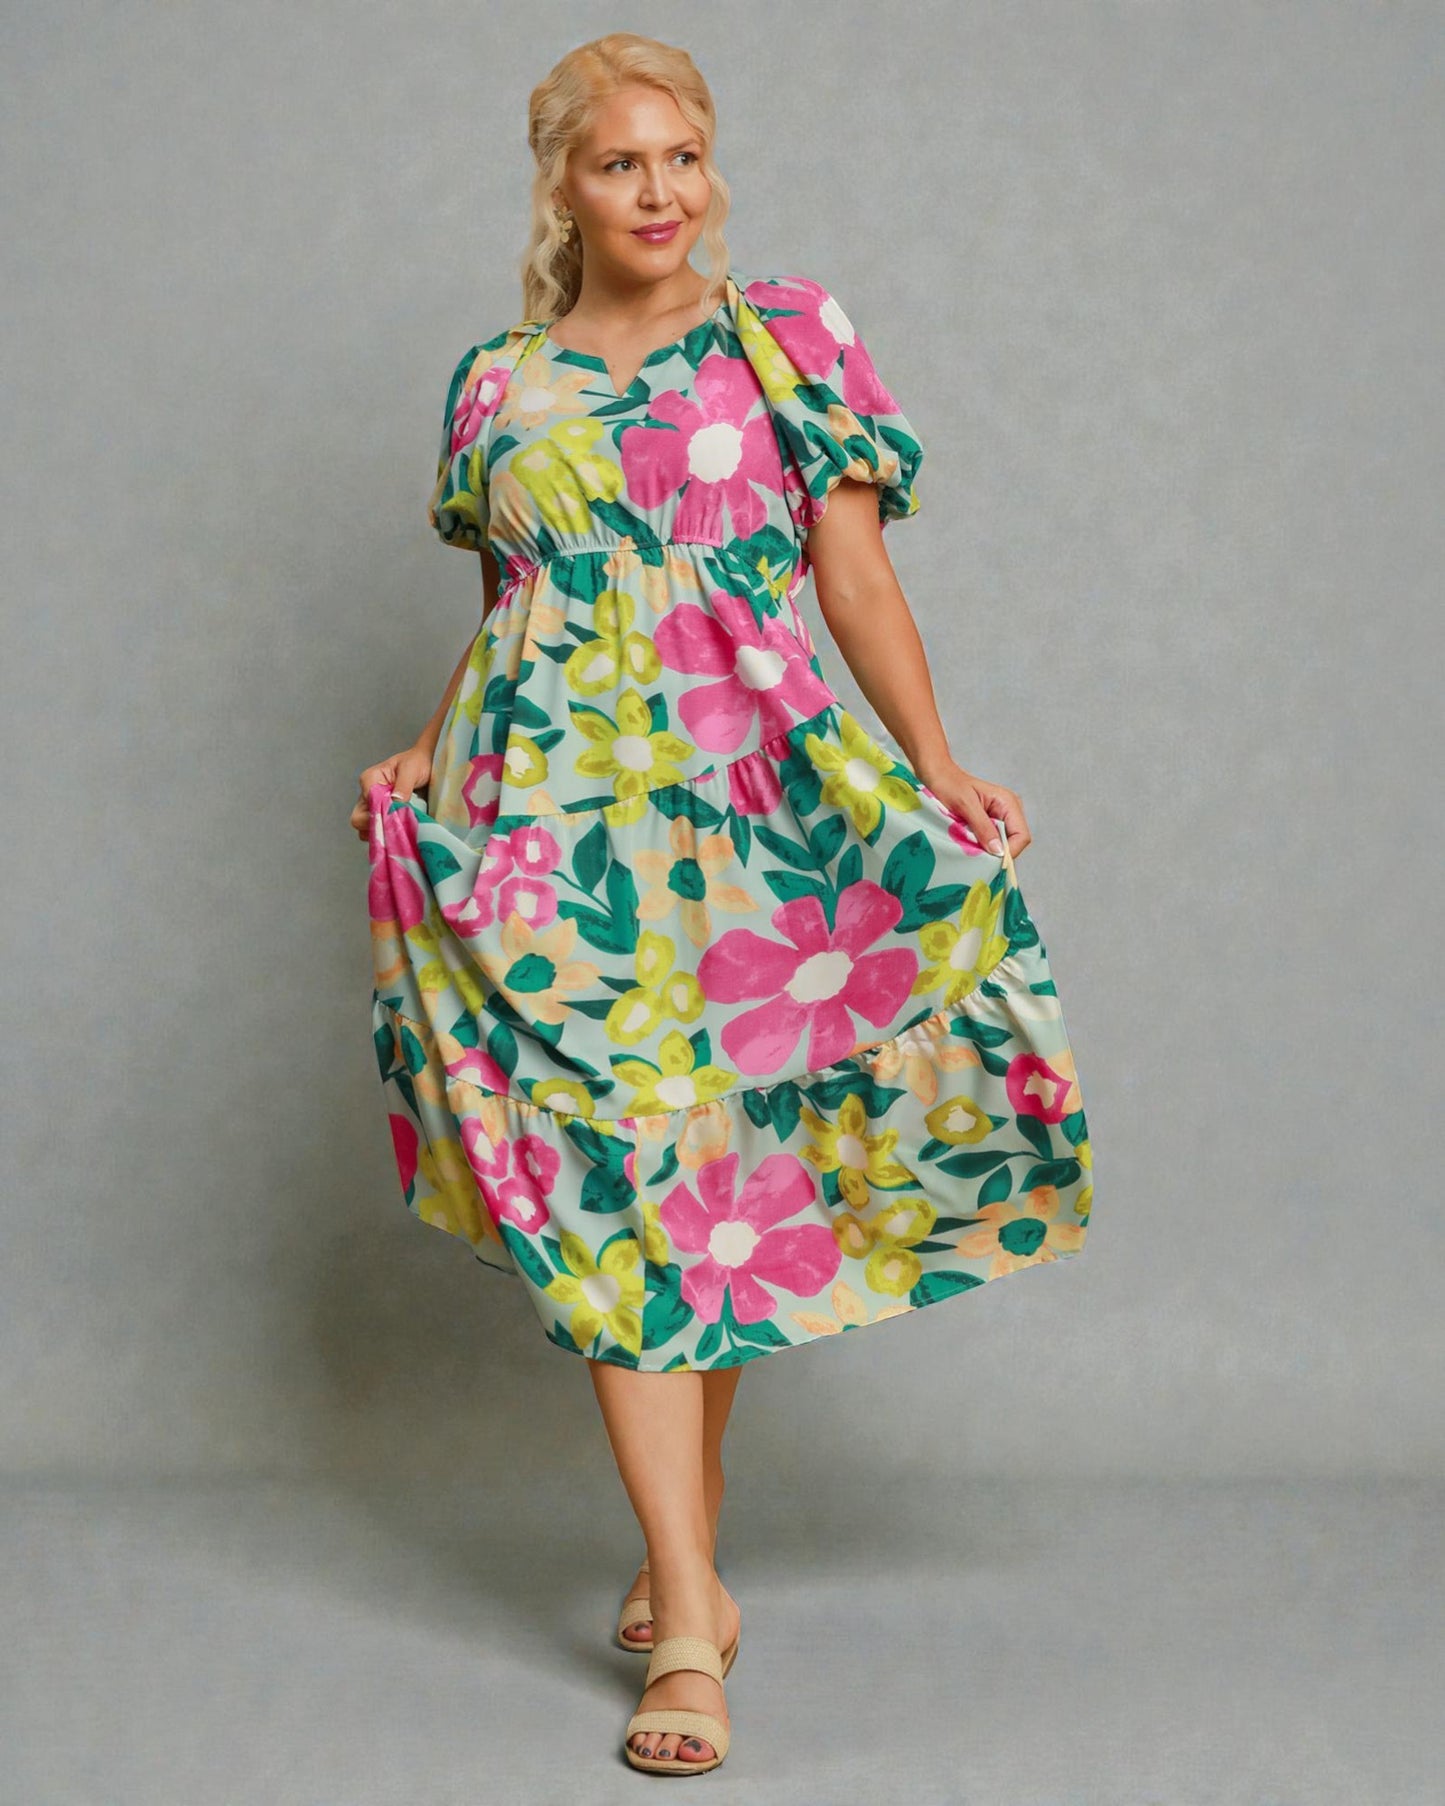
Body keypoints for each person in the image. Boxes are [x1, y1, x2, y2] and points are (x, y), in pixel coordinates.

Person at [350, 31, 1093, 1776]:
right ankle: (690, 1611)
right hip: (557, 833)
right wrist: (424, 750)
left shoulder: (785, 338)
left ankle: (686, 1520)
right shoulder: (494, 385)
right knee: (614, 1175)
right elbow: (513, 613)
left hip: (759, 813)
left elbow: (853, 570)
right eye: (622, 164)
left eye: (682, 157)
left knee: (727, 1173)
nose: (660, 190)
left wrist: (936, 758)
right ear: (564, 187)